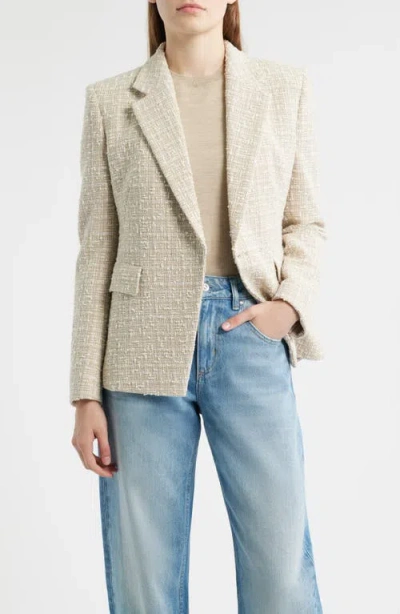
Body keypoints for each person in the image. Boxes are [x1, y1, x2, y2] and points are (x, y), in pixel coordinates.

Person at [69, 1, 326, 612]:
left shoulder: (283, 88)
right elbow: (96, 250)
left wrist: (286, 307)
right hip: (138, 350)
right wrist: (84, 394)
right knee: (145, 575)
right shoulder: (111, 101)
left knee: (280, 566)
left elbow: (306, 222)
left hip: (250, 335)